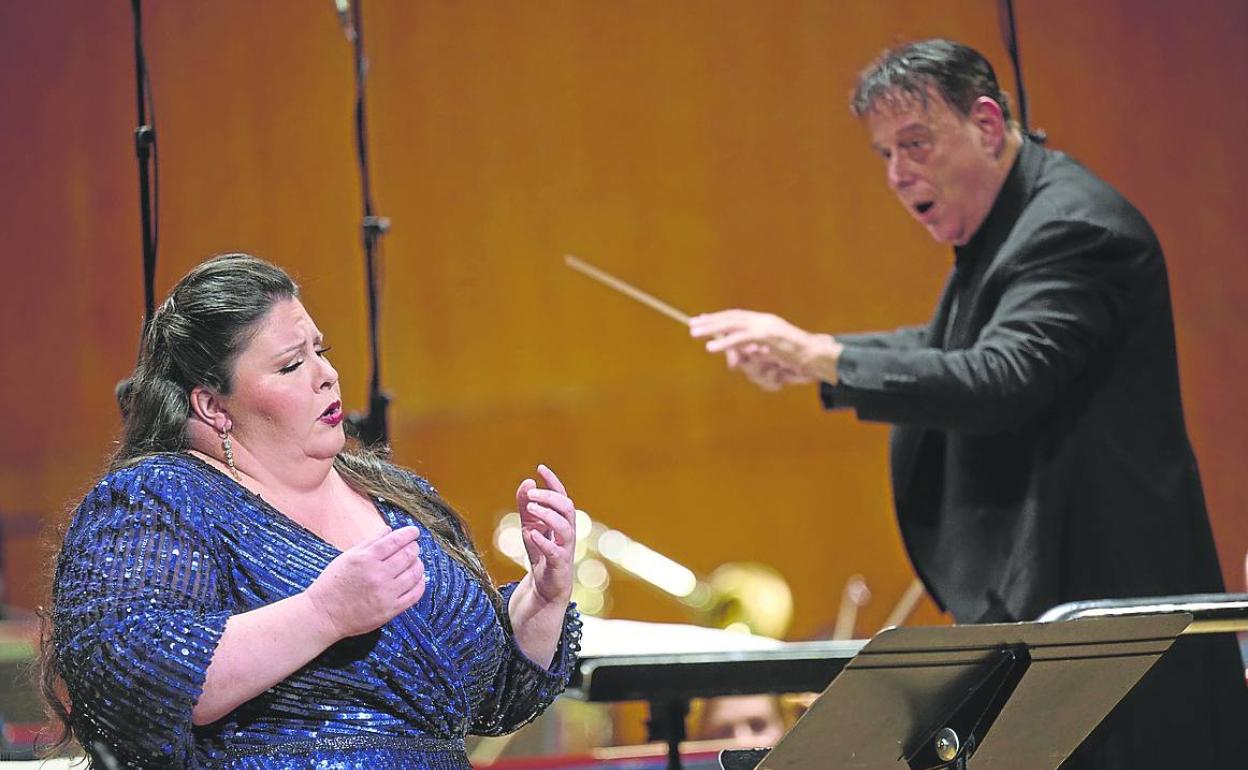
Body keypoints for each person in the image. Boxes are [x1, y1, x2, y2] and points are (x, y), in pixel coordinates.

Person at [690, 38, 1247, 769]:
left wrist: (820, 356)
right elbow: (947, 341)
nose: (897, 174)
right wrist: (814, 356)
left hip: (1119, 644)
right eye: (885, 154)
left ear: (986, 126)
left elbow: (1000, 376)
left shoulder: (1075, 228)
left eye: (914, 144)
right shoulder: (1013, 233)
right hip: (1069, 636)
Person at [40, 253, 582, 769]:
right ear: (211, 404)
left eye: (320, 351)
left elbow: (496, 703)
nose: (325, 374)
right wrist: (323, 614)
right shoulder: (158, 498)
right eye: (291, 365)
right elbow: (135, 678)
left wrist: (545, 594)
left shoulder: (397, 497)